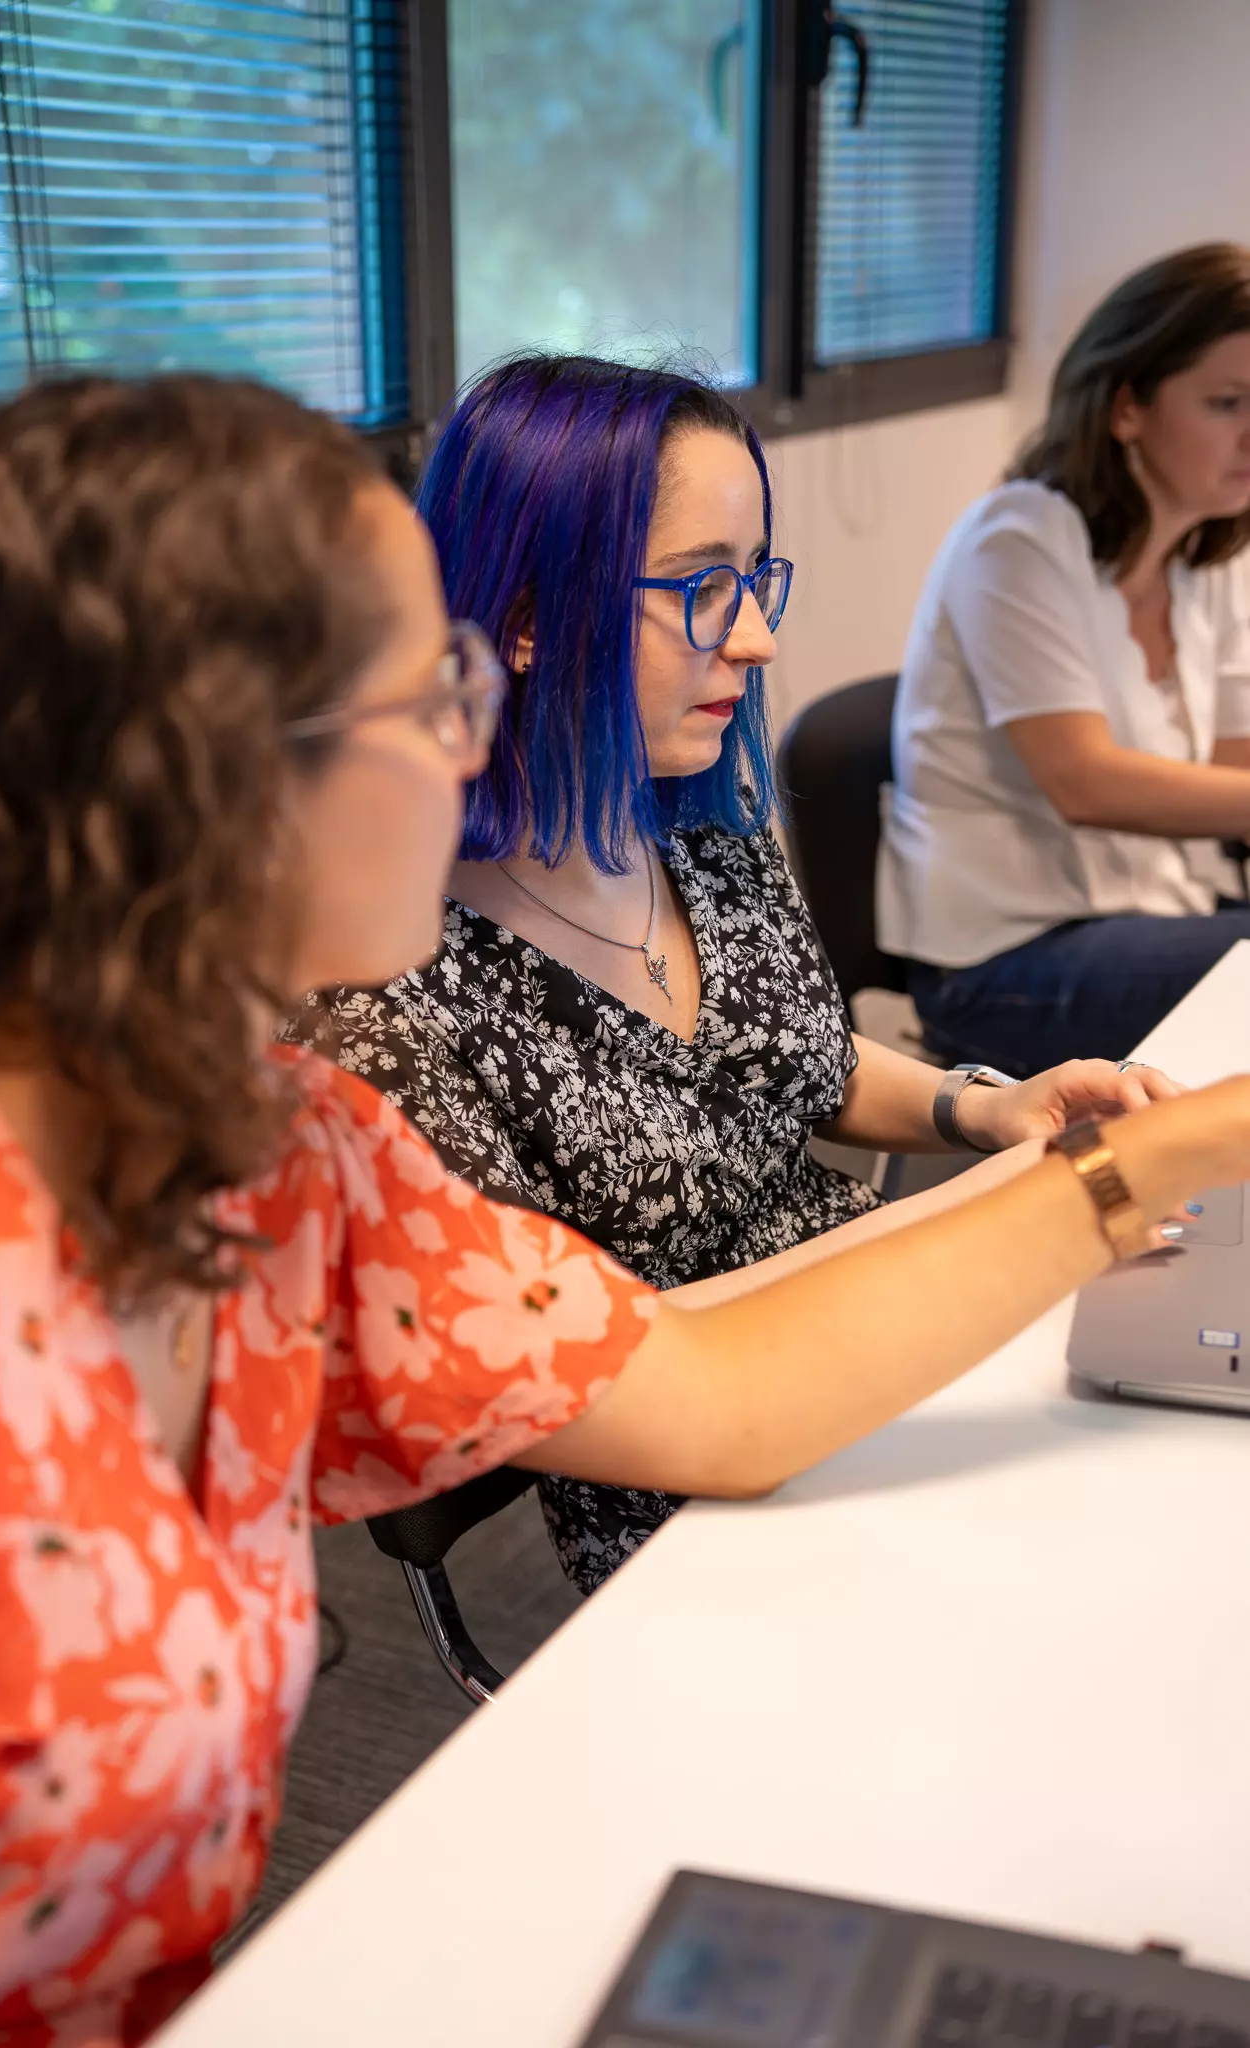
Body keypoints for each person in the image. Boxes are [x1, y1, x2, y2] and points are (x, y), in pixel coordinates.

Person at [0, 378, 1248, 2048]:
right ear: (204, 768)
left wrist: (1147, 1160)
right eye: (431, 687)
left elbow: (714, 1384)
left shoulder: (288, 1152)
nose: (473, 737)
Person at [295, 353, 1181, 1594]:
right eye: (706, 588)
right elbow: (636, 1362)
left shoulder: (688, 816)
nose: (759, 637)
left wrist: (981, 1106)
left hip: (879, 1331)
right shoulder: (386, 982)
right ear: (531, 615)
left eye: (757, 578)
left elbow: (795, 1056)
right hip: (711, 1495)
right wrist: (1027, 1204)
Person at [879, 242, 1250, 1075]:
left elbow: (1230, 780)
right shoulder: (1017, 539)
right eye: (1227, 402)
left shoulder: (1209, 559)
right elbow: (1085, 784)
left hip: (1159, 914)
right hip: (1004, 964)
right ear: (1125, 407)